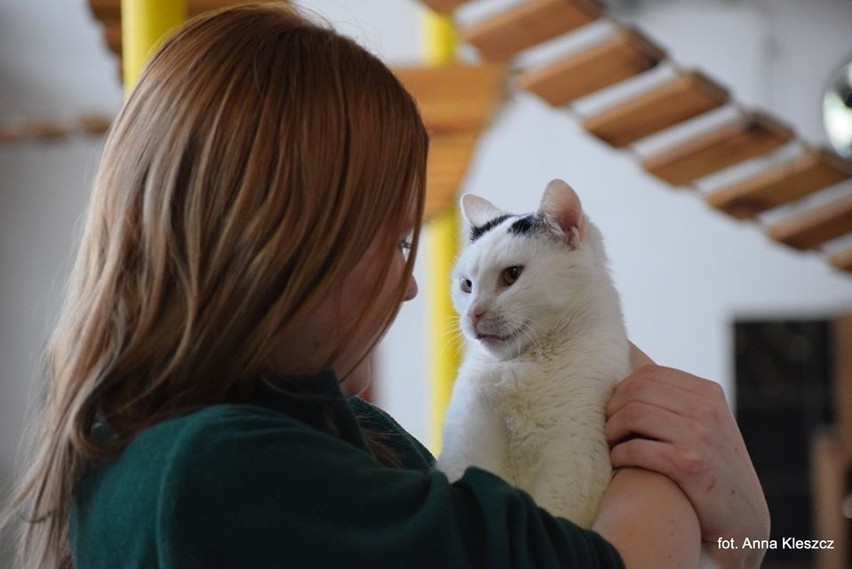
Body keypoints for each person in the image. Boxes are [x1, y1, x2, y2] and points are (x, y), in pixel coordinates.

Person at [1, 3, 769, 568]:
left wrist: (742, 528)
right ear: (284, 237)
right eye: (396, 239)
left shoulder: (344, 436)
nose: (408, 289)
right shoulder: (215, 469)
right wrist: (702, 483)